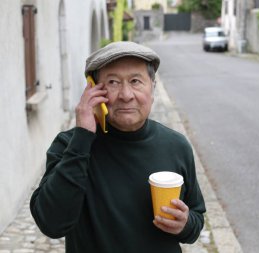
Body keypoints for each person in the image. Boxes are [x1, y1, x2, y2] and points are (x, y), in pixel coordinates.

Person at [30, 41, 206, 253]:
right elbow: (52, 223)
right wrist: (82, 137)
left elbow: (196, 219)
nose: (126, 95)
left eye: (135, 81)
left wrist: (185, 224)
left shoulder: (176, 146)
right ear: (93, 90)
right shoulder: (70, 145)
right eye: (113, 82)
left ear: (152, 87)